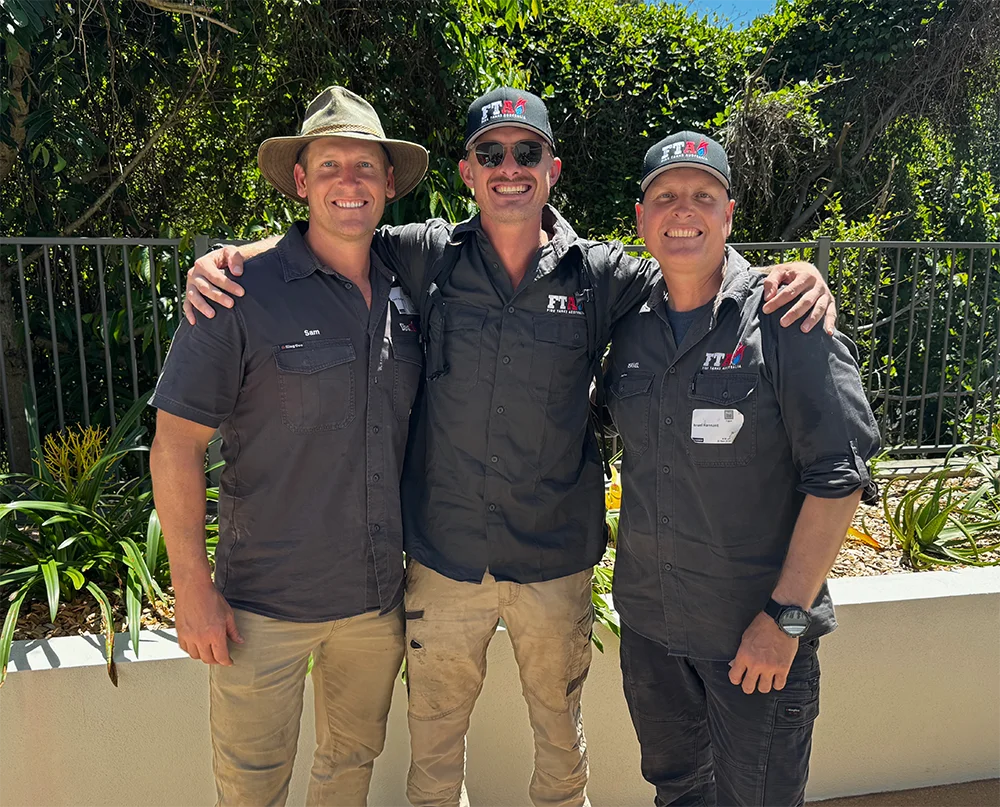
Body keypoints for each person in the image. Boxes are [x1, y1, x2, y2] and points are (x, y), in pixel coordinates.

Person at [181, 89, 836, 807]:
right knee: (434, 756)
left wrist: (790, 275)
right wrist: (226, 260)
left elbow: (696, 266)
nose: (509, 168)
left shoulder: (602, 274)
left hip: (552, 561)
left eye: (527, 153)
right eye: (491, 154)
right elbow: (328, 237)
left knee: (561, 750)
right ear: (467, 172)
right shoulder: (425, 254)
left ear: (552, 168)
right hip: (447, 559)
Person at [148, 86, 429, 807]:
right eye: (329, 165)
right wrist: (191, 588)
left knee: (350, 769)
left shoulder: (411, 287)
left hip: (373, 604)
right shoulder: (238, 290)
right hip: (260, 609)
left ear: (388, 182)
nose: (349, 182)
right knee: (251, 788)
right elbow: (175, 445)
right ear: (301, 182)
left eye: (365, 167)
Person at [605, 131, 880, 807]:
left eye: (703, 196)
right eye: (665, 197)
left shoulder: (786, 315)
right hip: (652, 637)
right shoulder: (628, 324)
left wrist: (785, 620)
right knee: (677, 792)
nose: (683, 211)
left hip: (754, 645)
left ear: (728, 215)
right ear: (642, 219)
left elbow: (839, 477)